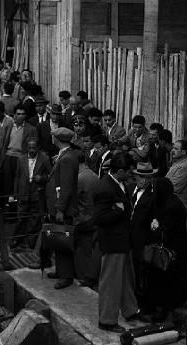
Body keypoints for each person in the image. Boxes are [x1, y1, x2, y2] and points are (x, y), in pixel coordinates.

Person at [91, 152, 140, 333]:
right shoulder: (105, 188)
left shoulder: (118, 184)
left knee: (126, 278)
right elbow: (99, 217)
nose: (131, 174)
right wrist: (118, 211)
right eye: (128, 171)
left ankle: (130, 310)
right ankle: (107, 319)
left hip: (122, 241)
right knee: (110, 281)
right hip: (113, 242)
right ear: (119, 171)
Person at [146, 177, 187, 322]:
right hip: (168, 253)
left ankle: (168, 315)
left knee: (169, 285)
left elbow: (168, 231)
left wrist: (156, 226)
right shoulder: (168, 202)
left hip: (170, 254)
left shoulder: (172, 207)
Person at [45, 127, 79, 289]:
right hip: (58, 205)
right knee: (58, 241)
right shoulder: (66, 155)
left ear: (57, 139)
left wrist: (60, 209)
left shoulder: (66, 159)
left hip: (62, 208)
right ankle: (60, 270)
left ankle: (66, 275)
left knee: (63, 240)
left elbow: (66, 187)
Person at [12, 138, 51, 250]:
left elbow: (50, 175)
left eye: (34, 148)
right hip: (23, 192)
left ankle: (31, 243)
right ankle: (17, 240)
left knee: (34, 219)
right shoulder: (21, 159)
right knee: (21, 217)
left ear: (38, 148)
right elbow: (17, 176)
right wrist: (15, 193)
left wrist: (42, 178)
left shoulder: (44, 158)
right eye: (29, 148)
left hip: (37, 192)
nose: (31, 150)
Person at [129, 162, 157, 312]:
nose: (142, 181)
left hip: (142, 240)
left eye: (146, 178)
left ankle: (141, 304)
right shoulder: (130, 190)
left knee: (141, 272)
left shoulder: (152, 196)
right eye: (140, 177)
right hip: (130, 238)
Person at [0, 104, 37, 198]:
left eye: (23, 114)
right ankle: (7, 204)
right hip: (8, 156)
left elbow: (34, 146)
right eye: (18, 114)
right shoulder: (8, 126)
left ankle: (18, 203)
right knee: (7, 182)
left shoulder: (31, 129)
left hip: (21, 157)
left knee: (20, 182)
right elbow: (1, 143)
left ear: (26, 115)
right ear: (14, 115)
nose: (20, 116)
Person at [74, 150, 101, 288]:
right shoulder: (94, 175)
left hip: (82, 218)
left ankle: (83, 276)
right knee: (89, 249)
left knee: (81, 250)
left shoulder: (80, 178)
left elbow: (74, 198)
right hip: (93, 216)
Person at [166, 140, 187, 207]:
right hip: (172, 202)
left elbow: (174, 188)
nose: (172, 150)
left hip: (177, 205)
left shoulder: (185, 166)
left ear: (184, 152)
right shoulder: (178, 162)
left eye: (176, 149)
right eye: (173, 148)